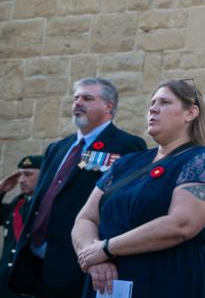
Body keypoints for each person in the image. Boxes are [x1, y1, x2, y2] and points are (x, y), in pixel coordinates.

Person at [70, 80, 205, 297]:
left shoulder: (202, 161)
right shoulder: (127, 162)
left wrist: (106, 248)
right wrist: (94, 259)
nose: (153, 109)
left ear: (191, 113)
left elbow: (181, 224)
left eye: (164, 102)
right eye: (152, 103)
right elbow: (86, 218)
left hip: (168, 279)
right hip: (108, 284)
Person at [9, 78, 145, 298]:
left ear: (108, 106)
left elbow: (123, 205)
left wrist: (106, 254)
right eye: (76, 98)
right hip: (38, 260)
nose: (78, 103)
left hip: (80, 261)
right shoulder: (57, 148)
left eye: (87, 98)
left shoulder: (126, 145)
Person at [1, 155, 43, 298]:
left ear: (45, 174)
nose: (21, 180)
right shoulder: (18, 204)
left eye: (28, 174)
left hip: (32, 286)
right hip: (6, 285)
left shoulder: (50, 205)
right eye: (20, 175)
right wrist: (1, 189)